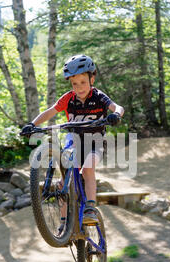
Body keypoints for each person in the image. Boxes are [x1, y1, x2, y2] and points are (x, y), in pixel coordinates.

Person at [21, 54, 124, 226]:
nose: (79, 87)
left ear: (92, 78)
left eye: (83, 82)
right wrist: (32, 124)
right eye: (74, 83)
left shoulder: (98, 96)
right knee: (63, 182)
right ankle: (64, 224)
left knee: (88, 169)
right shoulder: (68, 98)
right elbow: (50, 111)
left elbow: (118, 107)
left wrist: (116, 114)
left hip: (95, 142)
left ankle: (90, 209)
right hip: (74, 142)